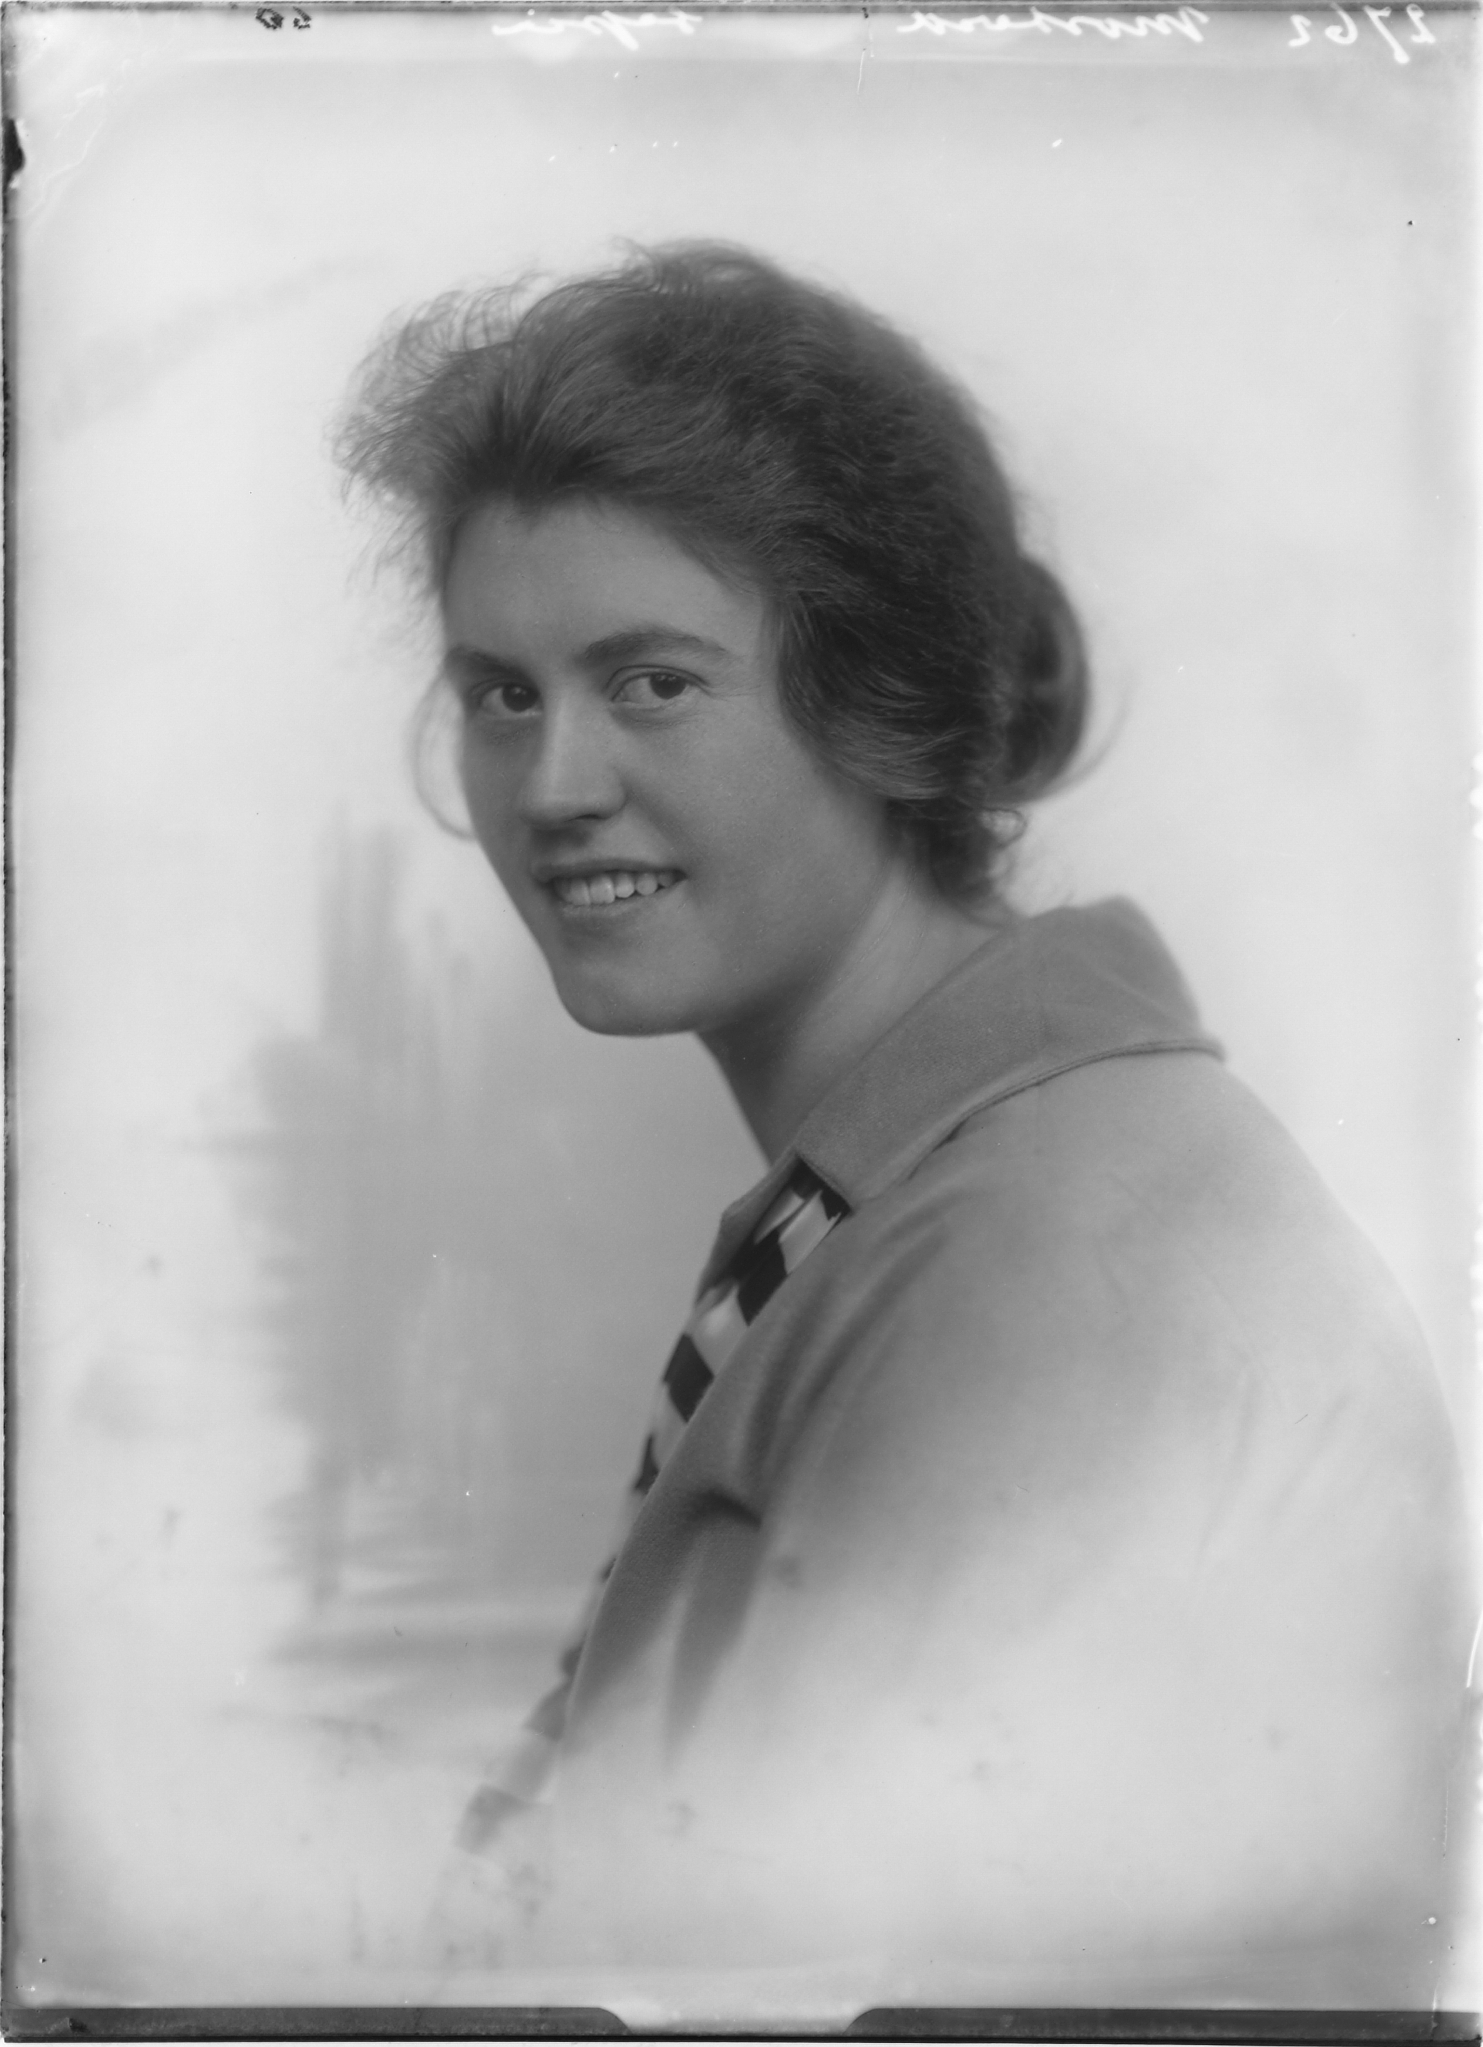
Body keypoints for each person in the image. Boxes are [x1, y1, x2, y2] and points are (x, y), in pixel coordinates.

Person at [336, 244, 1474, 2009]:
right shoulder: (940, 1182)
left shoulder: (1048, 1259)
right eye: (503, 693)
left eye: (653, 682)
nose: (551, 787)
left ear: (887, 704)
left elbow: (789, 1990)